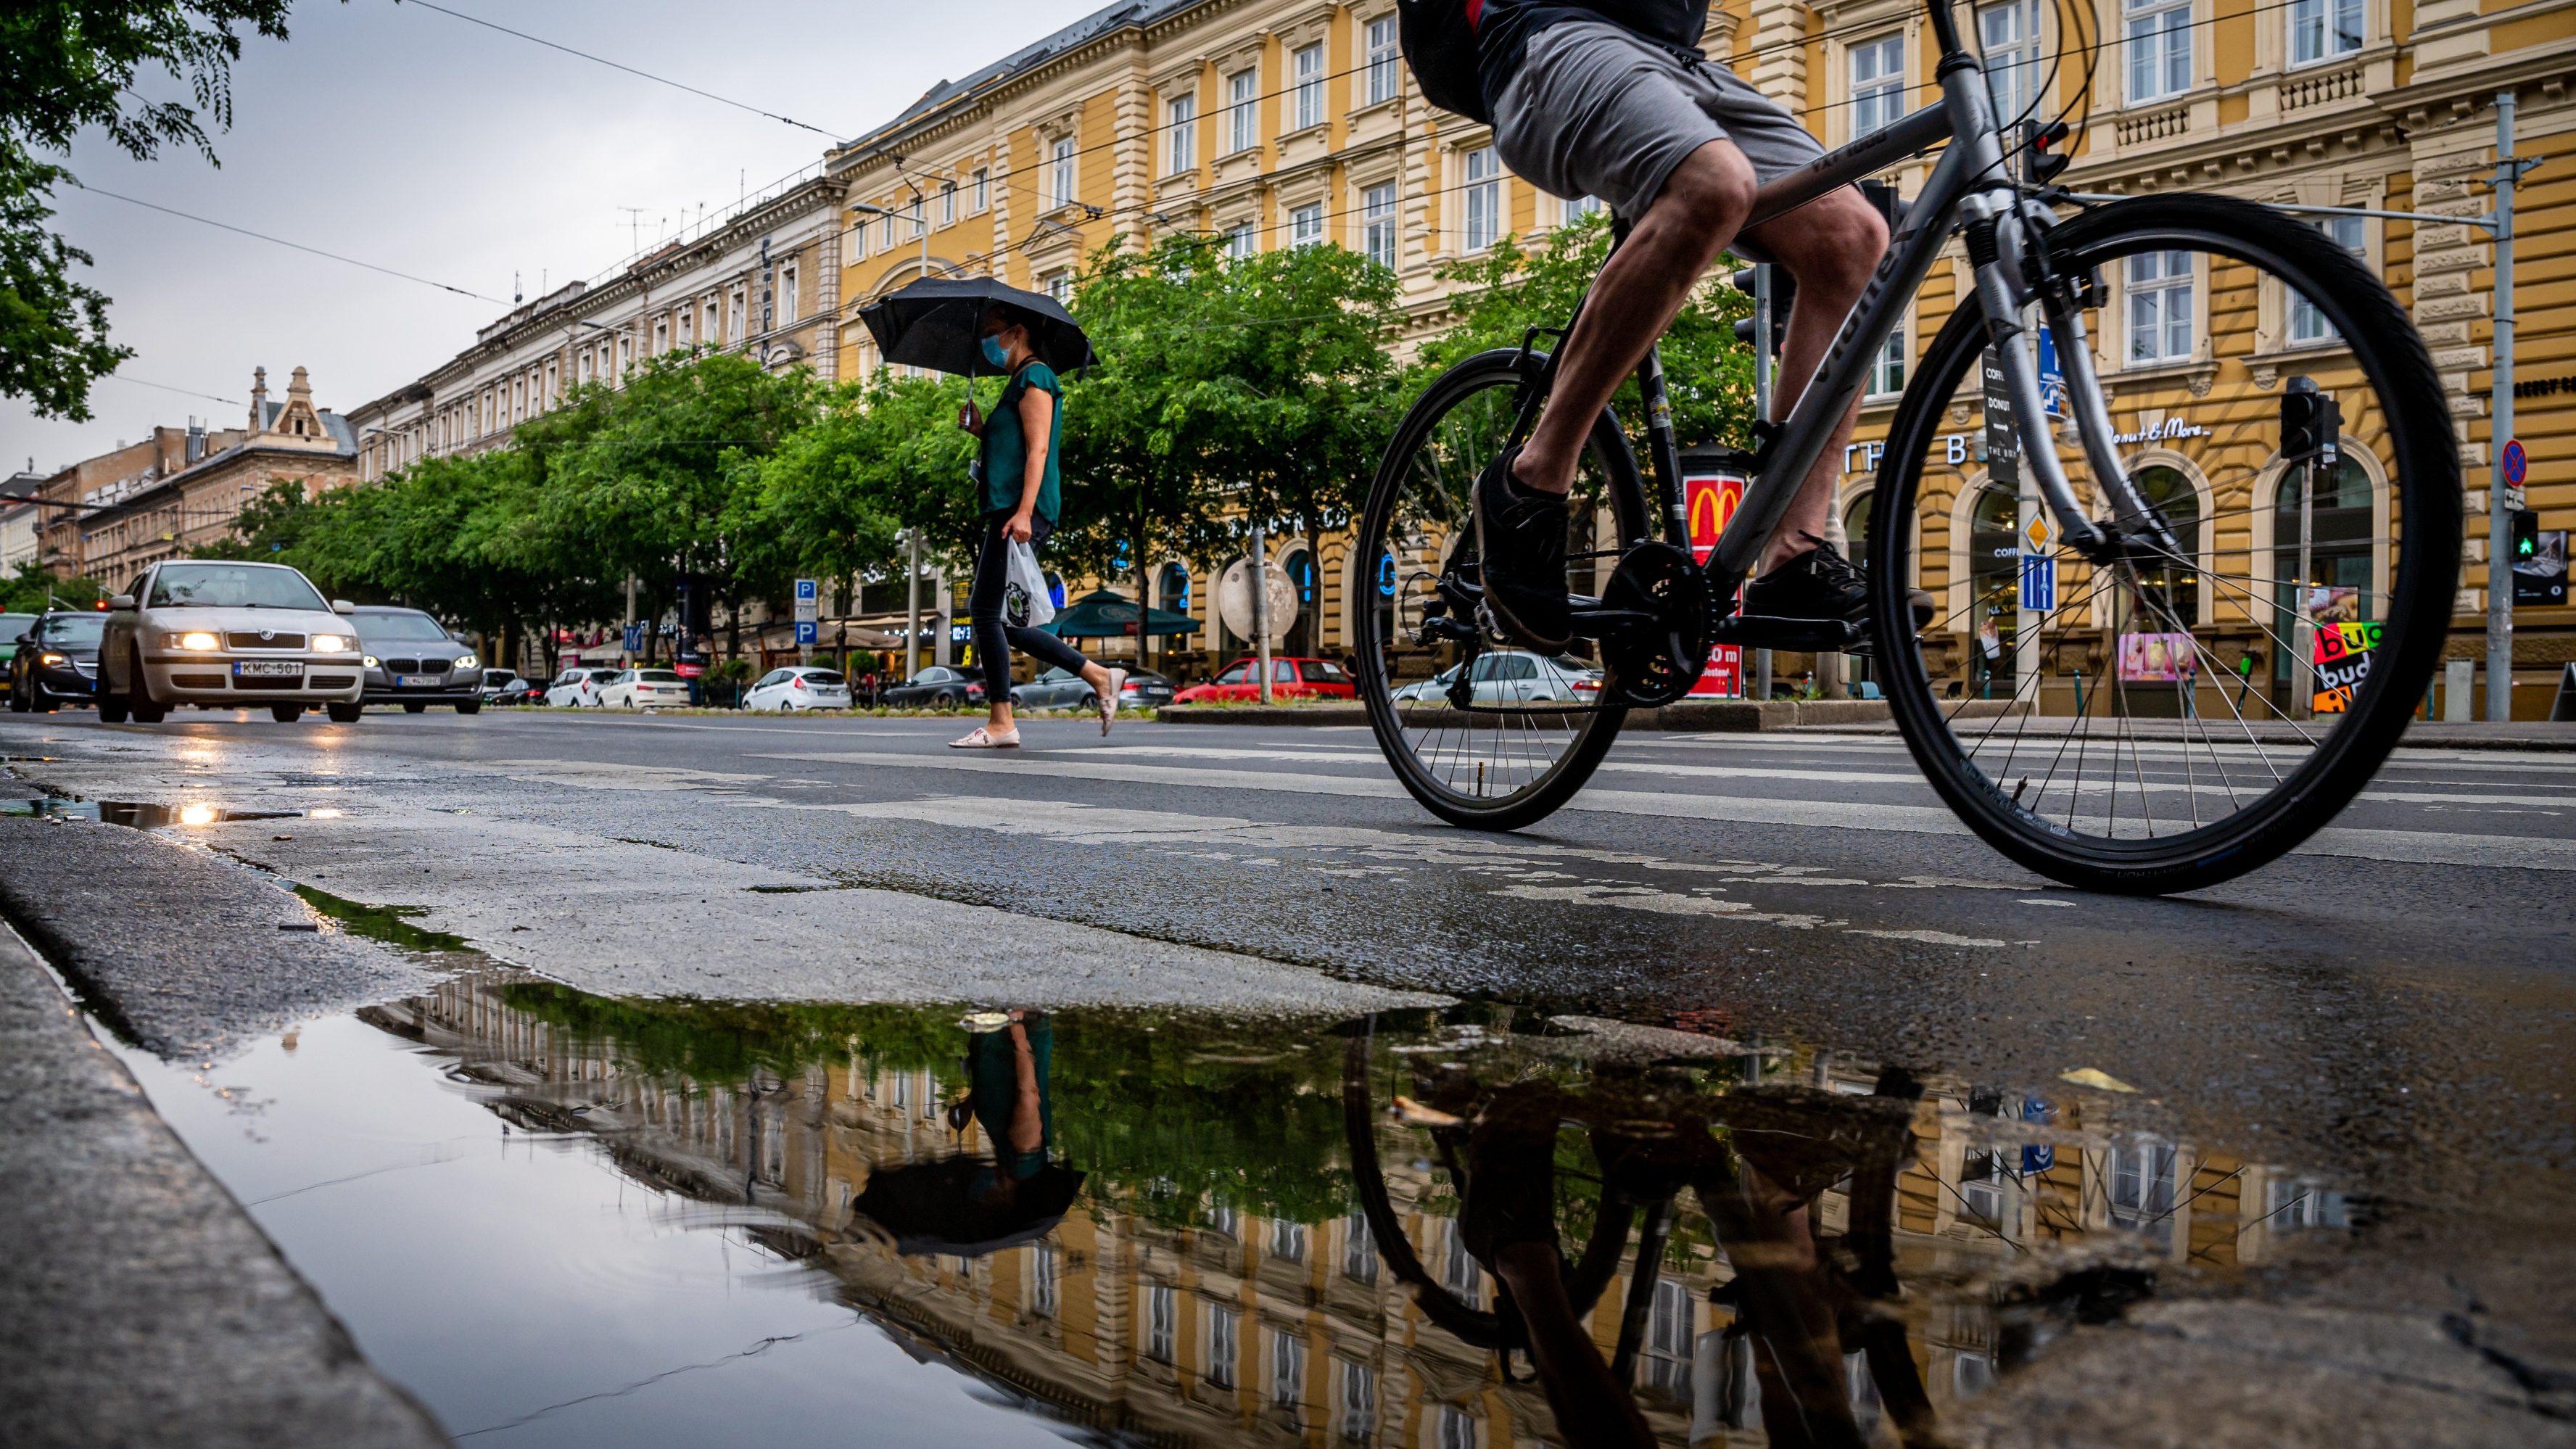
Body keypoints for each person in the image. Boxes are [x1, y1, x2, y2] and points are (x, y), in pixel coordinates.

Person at [1461, 0, 1897, 653]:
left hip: (1679, 60)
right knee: (1714, 183)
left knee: (1855, 237)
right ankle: (1529, 482)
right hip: (1551, 33)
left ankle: (1794, 552)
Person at [950, 304, 1126, 748]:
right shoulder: (1016, 383)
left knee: (986, 612)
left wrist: (1026, 511)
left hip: (1020, 511)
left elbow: (1039, 449)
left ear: (1016, 332)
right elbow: (1011, 447)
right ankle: (1096, 675)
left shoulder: (1036, 378)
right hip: (1008, 508)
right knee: (997, 619)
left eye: (992, 333)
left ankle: (1004, 721)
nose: (988, 344)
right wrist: (981, 431)